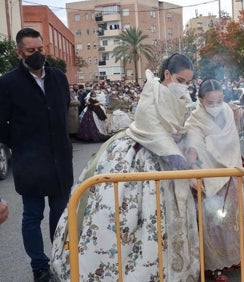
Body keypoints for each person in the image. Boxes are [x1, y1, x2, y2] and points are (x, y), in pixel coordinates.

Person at [51, 53, 200, 281]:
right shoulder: (152, 91)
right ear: (167, 74)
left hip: (167, 158)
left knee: (164, 220)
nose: (184, 87)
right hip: (139, 156)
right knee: (125, 218)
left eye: (188, 82)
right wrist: (183, 167)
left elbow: (177, 127)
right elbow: (153, 131)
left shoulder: (177, 96)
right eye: (181, 81)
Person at [0, 27, 73, 282]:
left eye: (40, 49)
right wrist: (21, 144)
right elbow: (2, 125)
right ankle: (40, 267)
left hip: (60, 160)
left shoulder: (59, 78)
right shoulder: (8, 83)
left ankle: (59, 259)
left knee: (60, 214)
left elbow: (63, 109)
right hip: (30, 162)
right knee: (32, 215)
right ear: (20, 52)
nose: (37, 54)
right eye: (31, 51)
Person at [184, 79, 244, 281]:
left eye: (219, 100)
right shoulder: (194, 122)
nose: (215, 106)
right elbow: (194, 149)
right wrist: (194, 175)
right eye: (210, 102)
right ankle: (214, 266)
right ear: (201, 100)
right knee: (213, 223)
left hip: (234, 169)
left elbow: (232, 142)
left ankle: (235, 256)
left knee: (240, 216)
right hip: (210, 176)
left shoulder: (228, 112)